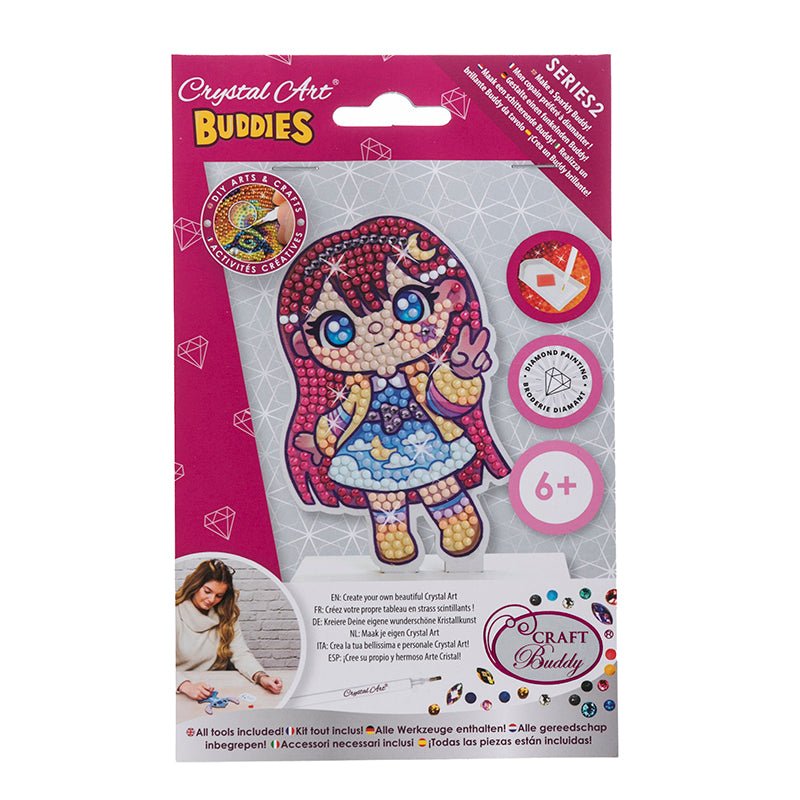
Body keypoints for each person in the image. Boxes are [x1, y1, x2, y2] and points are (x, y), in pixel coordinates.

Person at [279, 217, 509, 568]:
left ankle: (456, 524)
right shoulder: (357, 391)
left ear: (448, 297)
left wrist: (461, 374)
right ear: (303, 345)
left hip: (426, 441)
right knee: (384, 500)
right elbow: (341, 417)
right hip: (370, 451)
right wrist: (321, 441)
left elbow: (443, 400)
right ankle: (394, 538)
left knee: (440, 484)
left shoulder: (420, 375)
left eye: (407, 306)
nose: (376, 328)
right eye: (339, 329)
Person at [175, 559, 282, 700]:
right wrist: (185, 686)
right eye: (207, 591)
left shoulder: (226, 614)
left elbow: (240, 653)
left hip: (217, 685)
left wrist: (261, 677)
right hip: (181, 687)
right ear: (195, 586)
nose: (211, 599)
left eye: (219, 595)